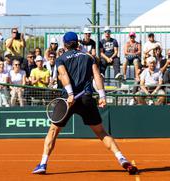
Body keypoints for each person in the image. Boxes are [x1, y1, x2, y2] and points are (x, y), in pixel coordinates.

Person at [32, 31, 138, 175]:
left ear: (64, 44)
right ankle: (122, 158)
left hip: (67, 100)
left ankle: (43, 163)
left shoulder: (61, 58)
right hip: (86, 98)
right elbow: (97, 75)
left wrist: (70, 93)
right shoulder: (89, 57)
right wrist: (102, 96)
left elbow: (63, 75)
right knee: (101, 132)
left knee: (53, 131)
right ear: (78, 43)